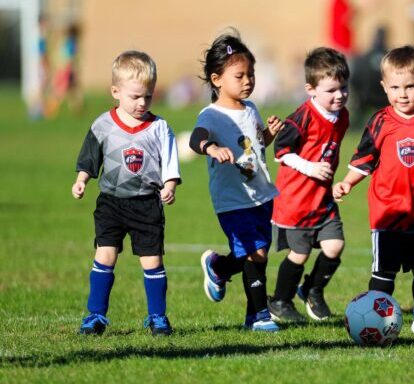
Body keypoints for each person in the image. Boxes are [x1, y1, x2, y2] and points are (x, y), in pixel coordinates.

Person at [333, 45, 414, 342]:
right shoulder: (380, 121)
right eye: (394, 87)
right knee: (384, 275)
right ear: (384, 87)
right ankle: (376, 325)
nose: (402, 94)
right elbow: (364, 160)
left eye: (410, 86)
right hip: (387, 213)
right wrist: (347, 182)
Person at [72, 51, 180, 336]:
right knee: (105, 255)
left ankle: (157, 317)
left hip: (147, 205)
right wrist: (82, 179)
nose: (142, 103)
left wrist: (169, 187)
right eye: (135, 97)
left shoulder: (159, 128)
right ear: (115, 91)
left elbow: (170, 163)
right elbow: (89, 158)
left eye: (148, 96)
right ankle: (95, 315)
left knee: (153, 261)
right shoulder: (103, 125)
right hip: (111, 204)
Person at [190, 32, 284, 332]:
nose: (248, 81)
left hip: (260, 194)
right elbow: (196, 139)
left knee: (257, 256)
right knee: (254, 253)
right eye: (240, 75)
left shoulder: (251, 108)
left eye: (251, 75)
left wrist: (269, 134)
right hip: (232, 199)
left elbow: (255, 145)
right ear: (217, 79)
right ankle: (260, 316)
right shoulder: (211, 115)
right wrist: (212, 148)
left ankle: (219, 268)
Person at [267, 47, 350, 322]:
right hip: (296, 200)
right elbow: (281, 151)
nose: (340, 95)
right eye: (331, 90)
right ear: (310, 89)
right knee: (299, 253)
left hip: (322, 199)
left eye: (343, 88)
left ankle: (312, 290)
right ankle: (280, 301)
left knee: (334, 246)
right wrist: (310, 167)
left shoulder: (343, 115)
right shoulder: (301, 117)